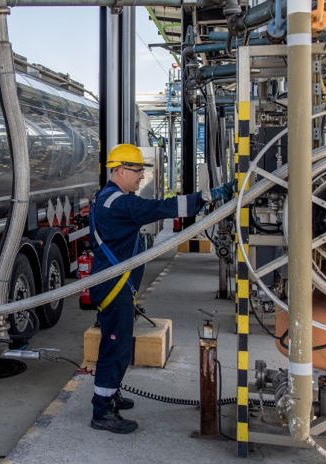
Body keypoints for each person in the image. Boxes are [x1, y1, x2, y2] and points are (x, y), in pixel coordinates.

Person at [88, 143, 232, 434]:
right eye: (137, 170)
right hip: (114, 285)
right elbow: (160, 208)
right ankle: (101, 411)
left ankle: (110, 393)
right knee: (116, 346)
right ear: (119, 170)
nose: (141, 176)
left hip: (114, 283)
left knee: (117, 343)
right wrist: (206, 196)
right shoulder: (119, 202)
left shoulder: (108, 198)